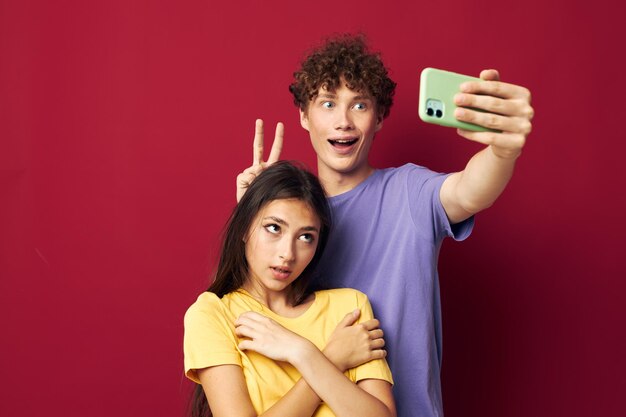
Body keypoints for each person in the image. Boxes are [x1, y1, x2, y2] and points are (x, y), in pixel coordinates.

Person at [236, 35, 534, 417]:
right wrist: (252, 220)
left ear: (378, 117)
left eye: (359, 105)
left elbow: (469, 191)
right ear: (304, 116)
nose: (343, 121)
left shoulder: (408, 191)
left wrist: (501, 152)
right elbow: (252, 315)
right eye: (328, 104)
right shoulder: (289, 223)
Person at [184, 161, 396, 417]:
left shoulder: (349, 307)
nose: (287, 254)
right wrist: (330, 360)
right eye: (274, 228)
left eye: (306, 237)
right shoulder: (213, 313)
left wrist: (303, 353)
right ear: (244, 228)